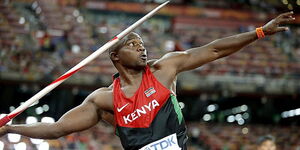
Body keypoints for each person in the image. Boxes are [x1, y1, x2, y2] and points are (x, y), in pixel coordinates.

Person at [0, 12, 295, 150]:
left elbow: (215, 49)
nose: (142, 48)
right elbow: (56, 130)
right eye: (133, 44)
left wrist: (259, 32)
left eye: (142, 43)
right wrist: (9, 126)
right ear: (115, 56)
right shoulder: (104, 99)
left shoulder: (165, 69)